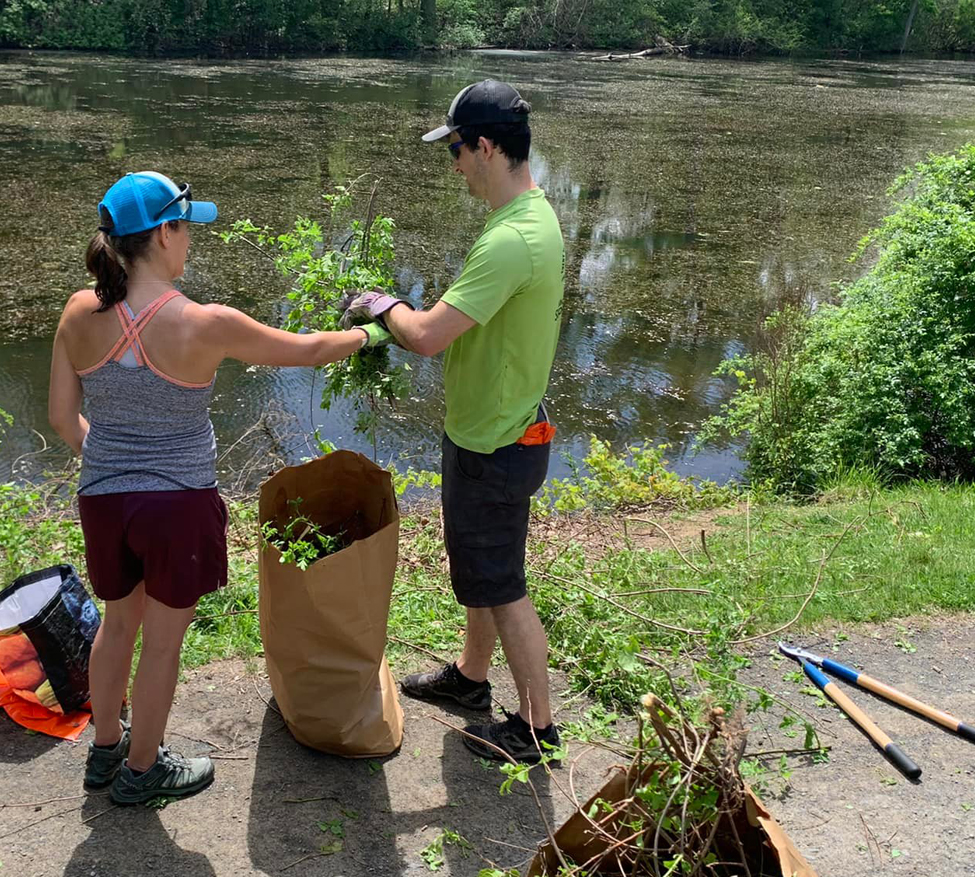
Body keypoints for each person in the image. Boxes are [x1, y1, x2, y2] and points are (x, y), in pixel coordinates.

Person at [48, 171, 389, 804]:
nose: (191, 242)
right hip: (177, 505)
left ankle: (103, 753)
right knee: (164, 643)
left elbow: (64, 421)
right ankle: (143, 771)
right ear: (163, 234)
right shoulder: (204, 323)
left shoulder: (77, 312)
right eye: (187, 229)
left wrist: (114, 466)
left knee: (118, 625)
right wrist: (372, 332)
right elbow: (311, 349)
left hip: (102, 499)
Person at [340, 80, 565, 762]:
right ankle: (470, 680)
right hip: (490, 429)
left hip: (495, 443)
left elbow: (430, 334)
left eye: (458, 151)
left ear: (487, 147)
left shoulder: (511, 241)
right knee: (479, 571)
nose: (455, 165)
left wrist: (381, 305)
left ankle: (536, 728)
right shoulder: (530, 219)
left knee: (502, 585)